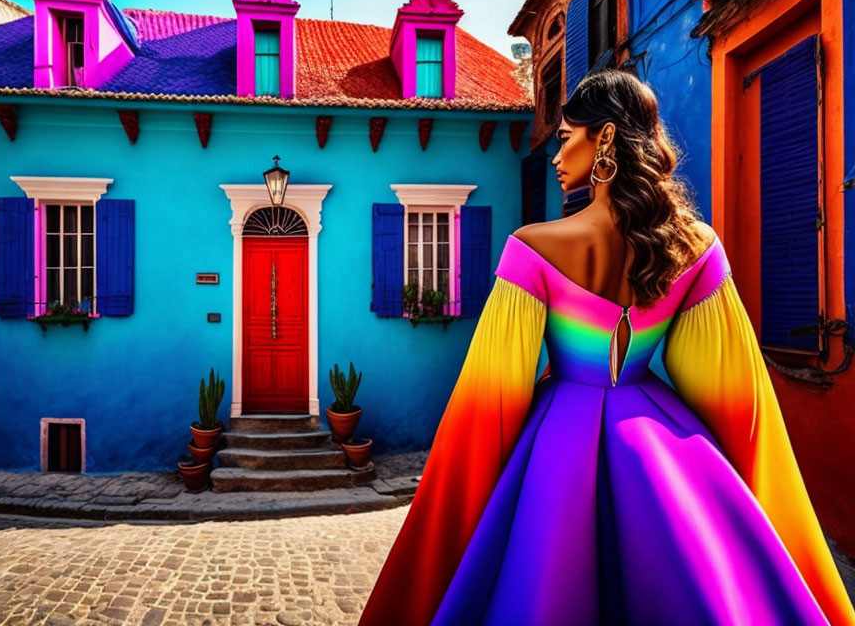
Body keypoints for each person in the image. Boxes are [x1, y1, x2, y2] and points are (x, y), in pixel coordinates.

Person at [358, 69, 855, 626]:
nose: (554, 153)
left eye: (567, 136)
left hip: (556, 445)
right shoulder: (697, 247)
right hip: (667, 449)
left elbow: (488, 409)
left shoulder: (533, 248)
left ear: (606, 140)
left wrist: (445, 531)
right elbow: (738, 401)